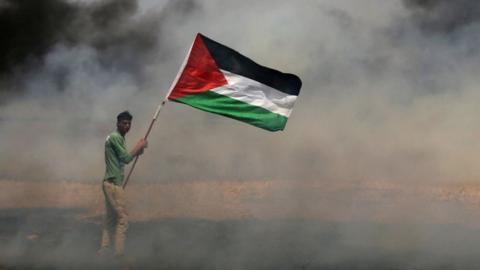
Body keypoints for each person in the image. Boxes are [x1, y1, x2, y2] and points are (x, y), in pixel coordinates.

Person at [98, 111, 148, 260]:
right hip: (113, 184)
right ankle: (119, 255)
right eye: (124, 123)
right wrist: (139, 146)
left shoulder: (118, 138)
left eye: (129, 123)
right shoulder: (115, 137)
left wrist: (141, 148)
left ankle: (104, 250)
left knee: (110, 218)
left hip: (111, 182)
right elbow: (126, 158)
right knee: (123, 220)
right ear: (118, 123)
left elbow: (126, 158)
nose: (127, 126)